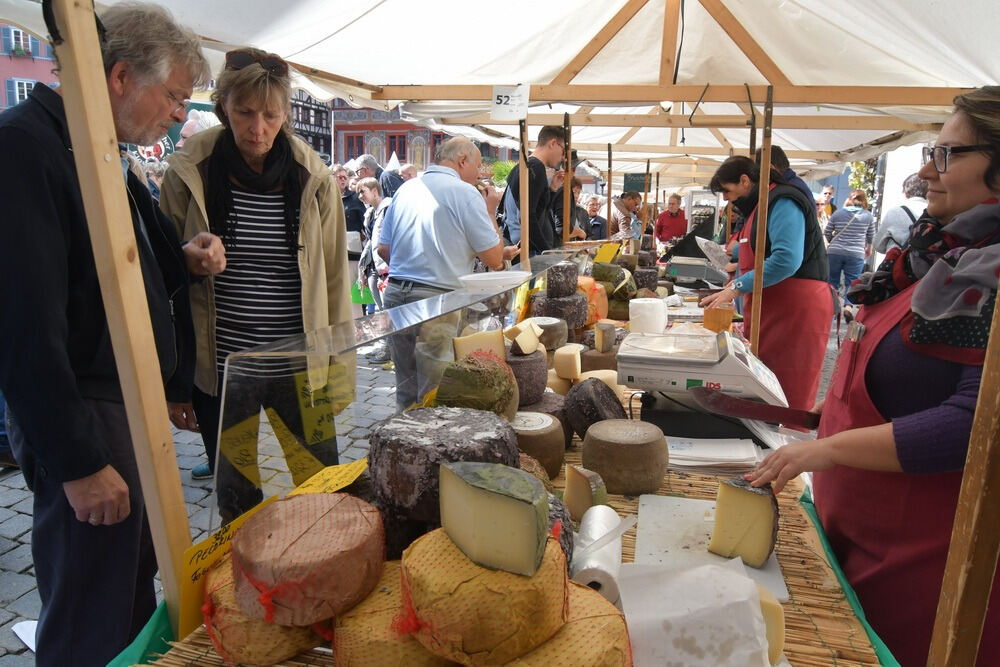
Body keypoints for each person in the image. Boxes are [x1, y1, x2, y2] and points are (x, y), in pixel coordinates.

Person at [749, 86, 1000, 667]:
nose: (927, 169)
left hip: (922, 567)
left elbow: (974, 425)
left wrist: (831, 450)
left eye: (947, 155)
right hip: (850, 533)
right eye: (930, 152)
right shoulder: (936, 253)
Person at [0, 5, 217, 665]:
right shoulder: (25, 145)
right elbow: (21, 323)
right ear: (121, 76)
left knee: (125, 590)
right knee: (90, 608)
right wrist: (78, 460)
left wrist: (180, 258)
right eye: (176, 95)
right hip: (89, 415)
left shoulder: (93, 147)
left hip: (123, 406)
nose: (179, 114)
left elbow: (102, 269)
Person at [160, 47, 352, 517]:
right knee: (238, 495)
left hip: (300, 369)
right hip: (224, 371)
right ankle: (247, 584)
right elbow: (159, 272)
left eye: (270, 115)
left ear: (286, 113)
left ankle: (322, 568)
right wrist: (176, 380)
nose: (258, 128)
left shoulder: (313, 176)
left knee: (321, 485)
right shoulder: (190, 170)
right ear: (223, 105)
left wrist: (338, 370)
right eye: (245, 113)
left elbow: (333, 278)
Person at [378, 137, 518, 410]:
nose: (479, 174)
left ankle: (403, 442)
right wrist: (490, 210)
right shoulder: (465, 193)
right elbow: (493, 258)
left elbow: (384, 249)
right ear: (462, 160)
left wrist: (418, 263)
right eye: (477, 166)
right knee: (434, 388)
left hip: (396, 293)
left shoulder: (406, 189)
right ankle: (428, 445)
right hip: (437, 299)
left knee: (406, 385)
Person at [699, 155, 832, 412]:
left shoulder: (783, 200)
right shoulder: (760, 205)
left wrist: (736, 287)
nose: (726, 199)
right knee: (765, 384)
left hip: (796, 307)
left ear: (745, 181)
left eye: (728, 191)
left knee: (787, 388)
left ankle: (788, 446)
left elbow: (786, 259)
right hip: (772, 306)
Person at [499, 125, 566, 254]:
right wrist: (546, 251)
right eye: (563, 151)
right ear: (553, 143)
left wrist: (552, 189)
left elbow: (537, 212)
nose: (563, 158)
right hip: (525, 252)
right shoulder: (535, 168)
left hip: (524, 248)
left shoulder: (525, 166)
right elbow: (527, 218)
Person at [357, 176, 392, 362]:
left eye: (362, 191)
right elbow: (371, 242)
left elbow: (387, 241)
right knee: (380, 311)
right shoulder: (371, 213)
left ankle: (388, 351)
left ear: (375, 190)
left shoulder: (388, 209)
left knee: (386, 312)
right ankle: (383, 347)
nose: (360, 196)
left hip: (387, 268)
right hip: (375, 267)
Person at [825, 189, 875, 302]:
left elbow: (827, 232)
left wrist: (831, 243)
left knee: (832, 281)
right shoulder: (868, 216)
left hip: (834, 252)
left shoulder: (838, 213)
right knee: (852, 282)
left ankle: (832, 307)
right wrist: (869, 248)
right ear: (864, 200)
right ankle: (848, 307)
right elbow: (871, 235)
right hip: (855, 253)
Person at [332, 163, 367, 316]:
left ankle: (357, 330)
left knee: (354, 295)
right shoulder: (324, 197)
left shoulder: (354, 199)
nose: (342, 181)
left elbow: (364, 225)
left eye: (344, 178)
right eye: (339, 177)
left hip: (352, 254)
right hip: (331, 254)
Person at [873, 172, 929, 253]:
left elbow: (878, 245)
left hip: (901, 263)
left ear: (906, 193)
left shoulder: (895, 212)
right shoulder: (936, 212)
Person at [552, 176, 589, 241]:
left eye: (579, 192)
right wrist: (579, 232)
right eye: (574, 192)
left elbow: (589, 234)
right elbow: (561, 229)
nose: (576, 196)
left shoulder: (583, 212)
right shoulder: (561, 206)